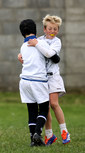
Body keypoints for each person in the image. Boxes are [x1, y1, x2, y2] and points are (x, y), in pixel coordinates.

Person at [18, 15, 70, 145]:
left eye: (56, 29)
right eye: (50, 28)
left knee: (53, 103)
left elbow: (52, 56)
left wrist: (36, 44)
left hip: (53, 77)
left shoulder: (56, 41)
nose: (53, 31)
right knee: (44, 108)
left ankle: (64, 131)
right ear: (44, 29)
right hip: (41, 78)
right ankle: (49, 135)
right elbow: (29, 49)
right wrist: (21, 55)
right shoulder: (39, 39)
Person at [19, 19, 50, 147]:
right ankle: (38, 133)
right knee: (43, 109)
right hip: (38, 80)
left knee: (31, 111)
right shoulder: (40, 43)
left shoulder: (22, 46)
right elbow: (50, 55)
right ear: (35, 30)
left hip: (24, 81)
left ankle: (33, 140)